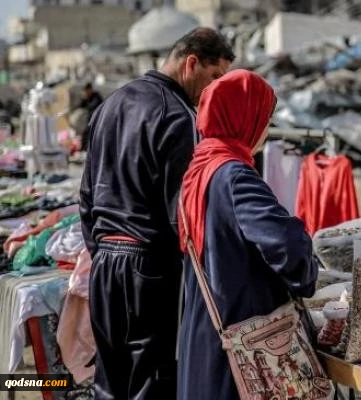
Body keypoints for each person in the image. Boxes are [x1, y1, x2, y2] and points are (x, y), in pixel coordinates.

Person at [79, 28, 234, 400]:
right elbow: (183, 217)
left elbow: (86, 197)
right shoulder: (179, 116)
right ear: (191, 63)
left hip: (105, 265)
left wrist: (102, 253)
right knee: (151, 383)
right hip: (149, 269)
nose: (214, 89)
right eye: (214, 76)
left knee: (108, 380)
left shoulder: (111, 104)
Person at [176, 70, 317, 399]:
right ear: (244, 117)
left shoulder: (198, 169)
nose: (266, 129)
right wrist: (306, 274)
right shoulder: (233, 175)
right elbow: (285, 242)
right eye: (264, 118)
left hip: (206, 330)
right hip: (243, 339)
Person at [76, 83, 103, 150]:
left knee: (91, 135)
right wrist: (83, 98)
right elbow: (81, 105)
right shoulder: (87, 98)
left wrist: (86, 100)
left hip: (98, 121)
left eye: (86, 91)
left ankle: (87, 150)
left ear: (90, 90)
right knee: (86, 134)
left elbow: (92, 106)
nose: (86, 93)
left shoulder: (96, 96)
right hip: (91, 121)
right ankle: (84, 150)